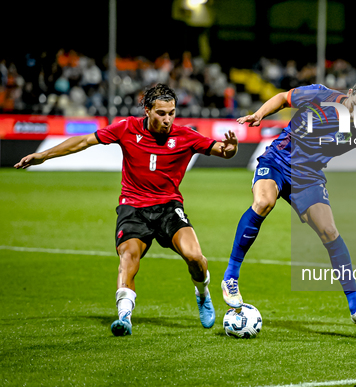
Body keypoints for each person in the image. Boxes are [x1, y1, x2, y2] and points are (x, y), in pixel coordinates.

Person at [221, 78, 356, 334]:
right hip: (278, 160)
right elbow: (284, 98)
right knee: (263, 202)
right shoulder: (320, 95)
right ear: (350, 93)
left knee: (330, 232)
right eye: (355, 105)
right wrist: (259, 114)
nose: (355, 112)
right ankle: (231, 277)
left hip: (308, 178)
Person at [14, 83, 238, 335]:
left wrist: (231, 150)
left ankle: (202, 292)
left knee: (195, 257)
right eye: (161, 113)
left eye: (172, 113)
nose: (167, 119)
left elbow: (222, 150)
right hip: (133, 208)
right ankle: (124, 318)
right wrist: (44, 155)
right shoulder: (126, 128)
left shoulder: (186, 136)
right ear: (147, 110)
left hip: (168, 207)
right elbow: (84, 142)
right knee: (128, 258)